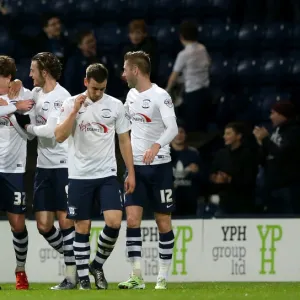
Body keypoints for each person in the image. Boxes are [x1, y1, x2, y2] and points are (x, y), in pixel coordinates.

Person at [55, 63, 135, 290]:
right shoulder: (71, 103)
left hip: (107, 174)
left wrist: (130, 171)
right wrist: (74, 112)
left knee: (114, 222)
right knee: (82, 226)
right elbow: (59, 136)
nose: (98, 93)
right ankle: (83, 279)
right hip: (79, 175)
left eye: (102, 89)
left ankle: (96, 265)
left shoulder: (116, 106)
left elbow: (124, 140)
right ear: (85, 83)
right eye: (94, 89)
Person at [118, 51, 178, 290]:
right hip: (136, 169)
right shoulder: (131, 95)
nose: (123, 74)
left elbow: (173, 128)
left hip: (160, 166)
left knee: (163, 221)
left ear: (136, 70)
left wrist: (156, 145)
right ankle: (136, 276)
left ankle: (162, 276)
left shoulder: (160, 95)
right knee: (132, 220)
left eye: (125, 69)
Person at [24, 52, 76, 290]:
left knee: (66, 223)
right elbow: (19, 95)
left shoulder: (61, 96)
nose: (29, 74)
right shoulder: (35, 93)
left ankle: (71, 275)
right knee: (44, 225)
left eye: (33, 70)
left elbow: (50, 131)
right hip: (43, 168)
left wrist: (27, 126)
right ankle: (75, 258)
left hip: (63, 166)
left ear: (44, 72)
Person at [0, 55, 34, 290]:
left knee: (18, 225)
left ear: (8, 77)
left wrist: (14, 109)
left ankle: (20, 270)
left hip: (14, 170)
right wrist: (14, 108)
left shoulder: (25, 95)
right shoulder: (17, 102)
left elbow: (31, 135)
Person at [253, 101, 300, 214]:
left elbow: (283, 155)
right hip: (272, 186)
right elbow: (265, 158)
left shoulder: (295, 131)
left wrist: (265, 140)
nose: (270, 117)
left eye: (273, 113)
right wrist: (261, 143)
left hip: (288, 188)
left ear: (283, 114)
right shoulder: (276, 131)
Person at [211, 122, 259, 216]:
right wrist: (215, 178)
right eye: (225, 134)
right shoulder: (221, 154)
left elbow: (250, 180)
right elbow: (212, 173)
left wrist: (229, 179)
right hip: (224, 202)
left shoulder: (248, 154)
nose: (225, 136)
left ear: (238, 136)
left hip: (244, 203)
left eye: (228, 133)